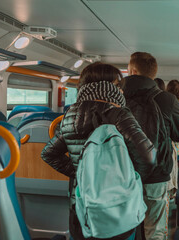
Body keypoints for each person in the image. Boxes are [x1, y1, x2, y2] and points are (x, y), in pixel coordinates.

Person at [41, 62, 157, 240]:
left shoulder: (70, 115)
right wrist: (129, 179)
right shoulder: (119, 114)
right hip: (117, 205)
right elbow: (148, 157)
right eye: (118, 86)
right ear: (108, 86)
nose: (121, 91)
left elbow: (49, 153)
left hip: (82, 205)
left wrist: (82, 174)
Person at [122, 52, 179, 240]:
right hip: (156, 174)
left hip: (123, 173)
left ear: (132, 71)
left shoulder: (116, 97)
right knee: (155, 230)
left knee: (124, 228)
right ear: (152, 74)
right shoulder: (167, 99)